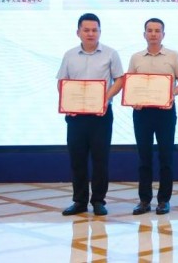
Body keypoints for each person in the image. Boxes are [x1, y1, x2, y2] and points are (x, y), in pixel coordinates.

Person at [57, 13, 124, 216]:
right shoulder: (69, 55)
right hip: (76, 117)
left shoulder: (111, 54)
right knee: (77, 159)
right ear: (78, 32)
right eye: (86, 30)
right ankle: (79, 201)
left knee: (100, 160)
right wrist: (67, 101)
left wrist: (105, 97)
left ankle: (98, 201)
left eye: (95, 30)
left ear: (100, 32)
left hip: (101, 116)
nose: (90, 33)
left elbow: (120, 80)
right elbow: (62, 82)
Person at [128, 18, 178, 215]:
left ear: (163, 34)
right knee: (144, 157)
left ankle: (164, 200)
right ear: (144, 34)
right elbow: (130, 84)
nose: (153, 34)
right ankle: (144, 200)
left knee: (166, 157)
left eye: (157, 30)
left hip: (165, 112)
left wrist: (171, 94)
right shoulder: (136, 58)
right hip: (142, 113)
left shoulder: (173, 56)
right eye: (150, 30)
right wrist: (133, 99)